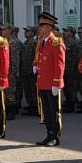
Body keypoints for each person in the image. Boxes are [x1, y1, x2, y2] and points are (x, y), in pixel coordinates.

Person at [33, 12, 66, 146]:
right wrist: (35, 66)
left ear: (49, 27)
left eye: (42, 25)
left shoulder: (56, 42)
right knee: (46, 111)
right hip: (43, 82)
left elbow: (60, 64)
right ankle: (49, 133)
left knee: (54, 111)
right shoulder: (42, 42)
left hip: (52, 83)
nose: (39, 28)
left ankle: (55, 136)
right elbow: (39, 58)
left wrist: (56, 83)